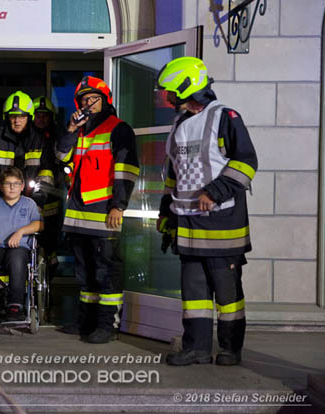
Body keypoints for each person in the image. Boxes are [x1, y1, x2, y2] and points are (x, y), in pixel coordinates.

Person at [156, 57, 257, 366]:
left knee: (227, 295)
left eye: (170, 92)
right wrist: (167, 216)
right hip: (188, 225)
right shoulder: (179, 125)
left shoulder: (225, 116)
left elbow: (246, 163)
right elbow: (175, 175)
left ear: (187, 89)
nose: (167, 98)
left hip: (222, 224)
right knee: (195, 295)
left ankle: (229, 349)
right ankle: (196, 348)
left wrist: (214, 193)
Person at [55, 76, 139, 344]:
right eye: (83, 100)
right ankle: (85, 322)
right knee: (85, 272)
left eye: (93, 99)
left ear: (105, 100)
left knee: (106, 271)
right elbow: (60, 156)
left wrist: (119, 205)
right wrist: (70, 128)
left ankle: (106, 325)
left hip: (104, 213)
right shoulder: (80, 131)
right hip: (79, 215)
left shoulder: (119, 129)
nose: (87, 104)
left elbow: (126, 170)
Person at [0, 166, 43, 322]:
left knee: (17, 260)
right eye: (8, 183)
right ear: (1, 186)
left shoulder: (29, 204)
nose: (12, 187)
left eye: (16, 183)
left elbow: (40, 225)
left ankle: (15, 306)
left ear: (22, 186)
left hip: (18, 248)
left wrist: (20, 232)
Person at [0, 91, 52, 208]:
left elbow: (46, 173)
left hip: (34, 201)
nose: (17, 120)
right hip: (1, 201)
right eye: (13, 116)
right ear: (7, 117)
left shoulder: (40, 139)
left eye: (22, 116)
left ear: (29, 117)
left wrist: (36, 202)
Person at [32, 96, 65, 277]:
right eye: (38, 115)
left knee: (50, 235)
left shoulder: (57, 136)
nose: (41, 119)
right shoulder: (28, 137)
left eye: (45, 116)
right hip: (32, 194)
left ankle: (50, 269)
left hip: (52, 195)